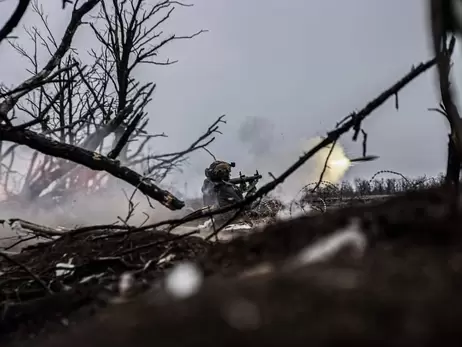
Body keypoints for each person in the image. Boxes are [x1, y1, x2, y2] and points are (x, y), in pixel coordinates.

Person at [201, 160, 246, 226]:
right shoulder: (213, 184)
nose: (226, 173)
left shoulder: (211, 183)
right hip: (221, 218)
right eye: (223, 170)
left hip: (216, 216)